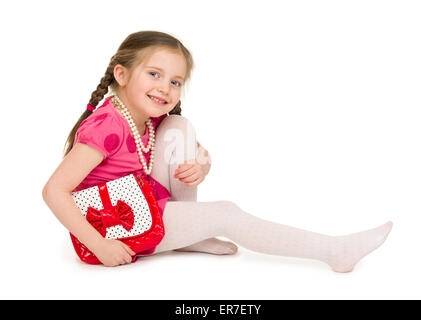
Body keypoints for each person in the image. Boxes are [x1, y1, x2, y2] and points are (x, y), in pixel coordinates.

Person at [42, 30, 393, 272]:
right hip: (113, 226)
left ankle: (186, 233)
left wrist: (202, 164)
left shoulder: (146, 118)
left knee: (179, 127)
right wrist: (100, 245)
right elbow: (54, 191)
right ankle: (334, 252)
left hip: (140, 199)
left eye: (175, 81)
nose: (165, 87)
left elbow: (167, 150)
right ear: (121, 73)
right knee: (226, 213)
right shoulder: (107, 125)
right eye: (154, 74)